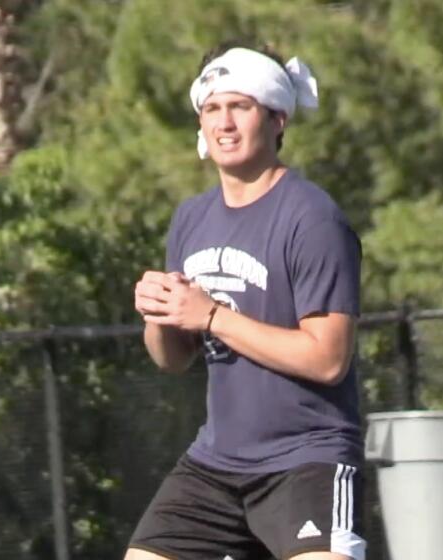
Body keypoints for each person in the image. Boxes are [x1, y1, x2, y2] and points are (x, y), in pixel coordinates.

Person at [127, 41, 366, 560]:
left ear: (278, 119)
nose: (225, 123)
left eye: (241, 106)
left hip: (307, 460)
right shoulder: (190, 219)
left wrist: (212, 315)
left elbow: (328, 360)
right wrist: (159, 316)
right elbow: (173, 359)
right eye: (212, 108)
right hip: (216, 464)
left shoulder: (312, 218)